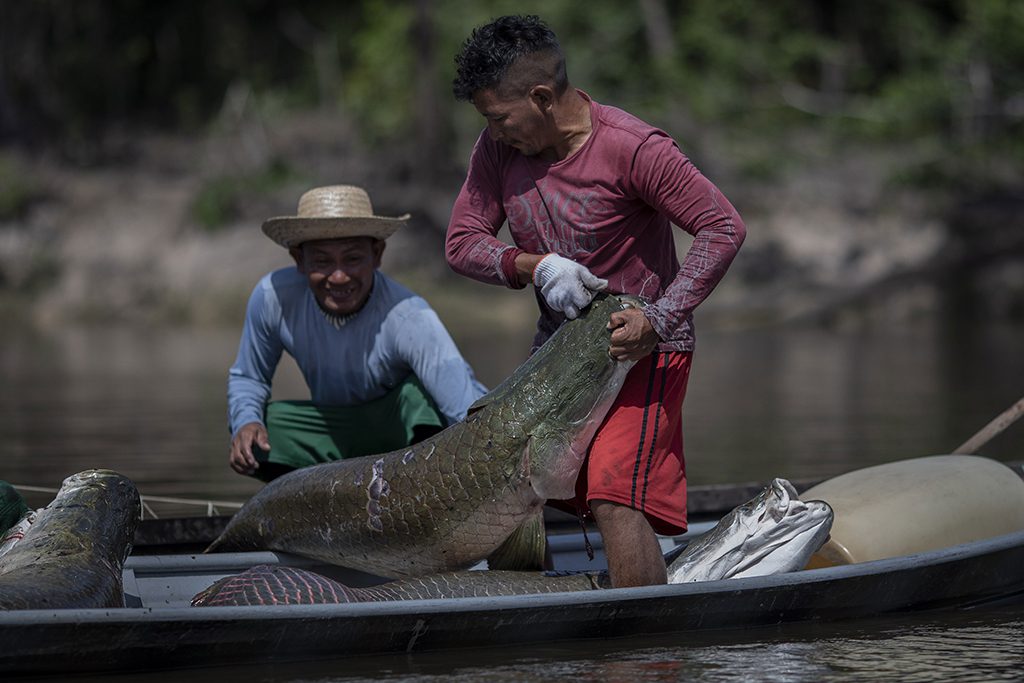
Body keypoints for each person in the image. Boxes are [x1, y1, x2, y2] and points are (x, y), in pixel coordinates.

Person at [445, 15, 746, 587]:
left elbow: (722, 228)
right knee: (506, 478)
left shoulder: (634, 148)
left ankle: (645, 653)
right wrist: (533, 265)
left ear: (541, 97)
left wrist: (658, 319)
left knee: (613, 490)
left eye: (500, 117)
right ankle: (529, 624)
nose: (495, 130)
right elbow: (461, 245)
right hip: (557, 354)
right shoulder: (497, 148)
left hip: (640, 351)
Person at [228, 184, 487, 481]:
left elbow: (464, 407)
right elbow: (249, 377)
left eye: (353, 259)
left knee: (419, 400)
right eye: (323, 261)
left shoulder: (410, 316)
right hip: (330, 433)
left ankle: (416, 496)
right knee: (260, 427)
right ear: (299, 260)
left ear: (376, 255)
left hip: (398, 441)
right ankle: (313, 502)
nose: (338, 277)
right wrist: (246, 421)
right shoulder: (273, 296)